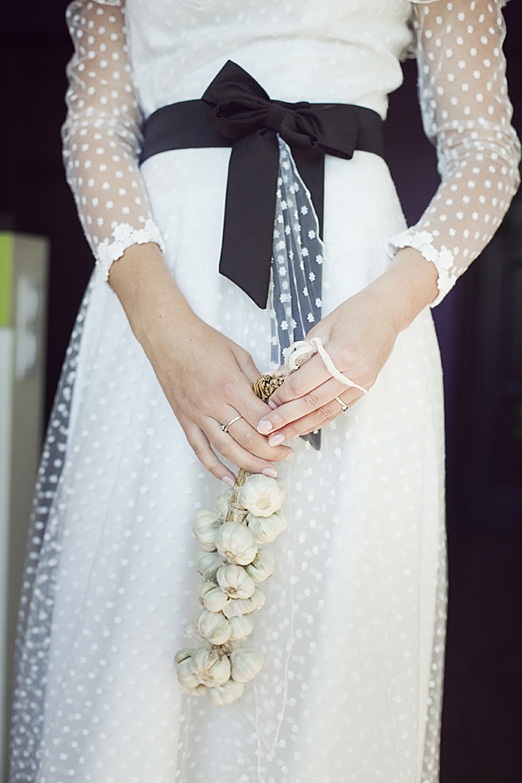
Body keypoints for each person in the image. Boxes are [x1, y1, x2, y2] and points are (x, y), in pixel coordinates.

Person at [9, 1, 520, 781]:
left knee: (330, 641)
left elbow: (486, 149)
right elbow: (95, 128)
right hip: (161, 287)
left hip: (356, 304)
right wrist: (162, 330)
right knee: (138, 642)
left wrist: (386, 312)